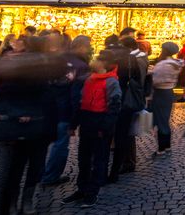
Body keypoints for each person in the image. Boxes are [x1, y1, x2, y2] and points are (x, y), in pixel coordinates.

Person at [0, 35, 62, 215]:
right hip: (21, 126)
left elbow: (50, 98)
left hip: (30, 126)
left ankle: (16, 203)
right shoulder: (22, 66)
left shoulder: (14, 64)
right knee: (18, 168)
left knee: (19, 169)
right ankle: (16, 203)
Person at [62, 49, 121, 209]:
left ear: (103, 64)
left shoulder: (111, 82)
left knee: (99, 160)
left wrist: (105, 128)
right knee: (83, 159)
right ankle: (82, 189)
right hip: (87, 123)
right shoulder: (89, 79)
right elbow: (82, 103)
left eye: (96, 60)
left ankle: (92, 192)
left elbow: (114, 107)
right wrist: (74, 125)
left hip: (100, 126)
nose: (92, 61)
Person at [41, 35, 92, 187]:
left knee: (47, 143)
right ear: (82, 47)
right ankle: (51, 176)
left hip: (49, 108)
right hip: (64, 110)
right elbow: (77, 96)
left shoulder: (58, 60)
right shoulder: (81, 66)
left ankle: (40, 172)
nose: (90, 49)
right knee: (60, 145)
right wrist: (75, 121)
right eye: (88, 46)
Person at [108, 35, 148, 181]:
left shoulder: (126, 60)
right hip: (131, 98)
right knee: (126, 134)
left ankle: (122, 166)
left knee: (121, 135)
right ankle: (122, 166)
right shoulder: (139, 57)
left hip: (124, 100)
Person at [150, 41, 184, 155]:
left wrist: (151, 72)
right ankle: (167, 145)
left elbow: (156, 81)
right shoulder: (175, 64)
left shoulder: (162, 64)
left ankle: (161, 148)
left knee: (161, 120)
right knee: (165, 119)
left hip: (161, 93)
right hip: (169, 92)